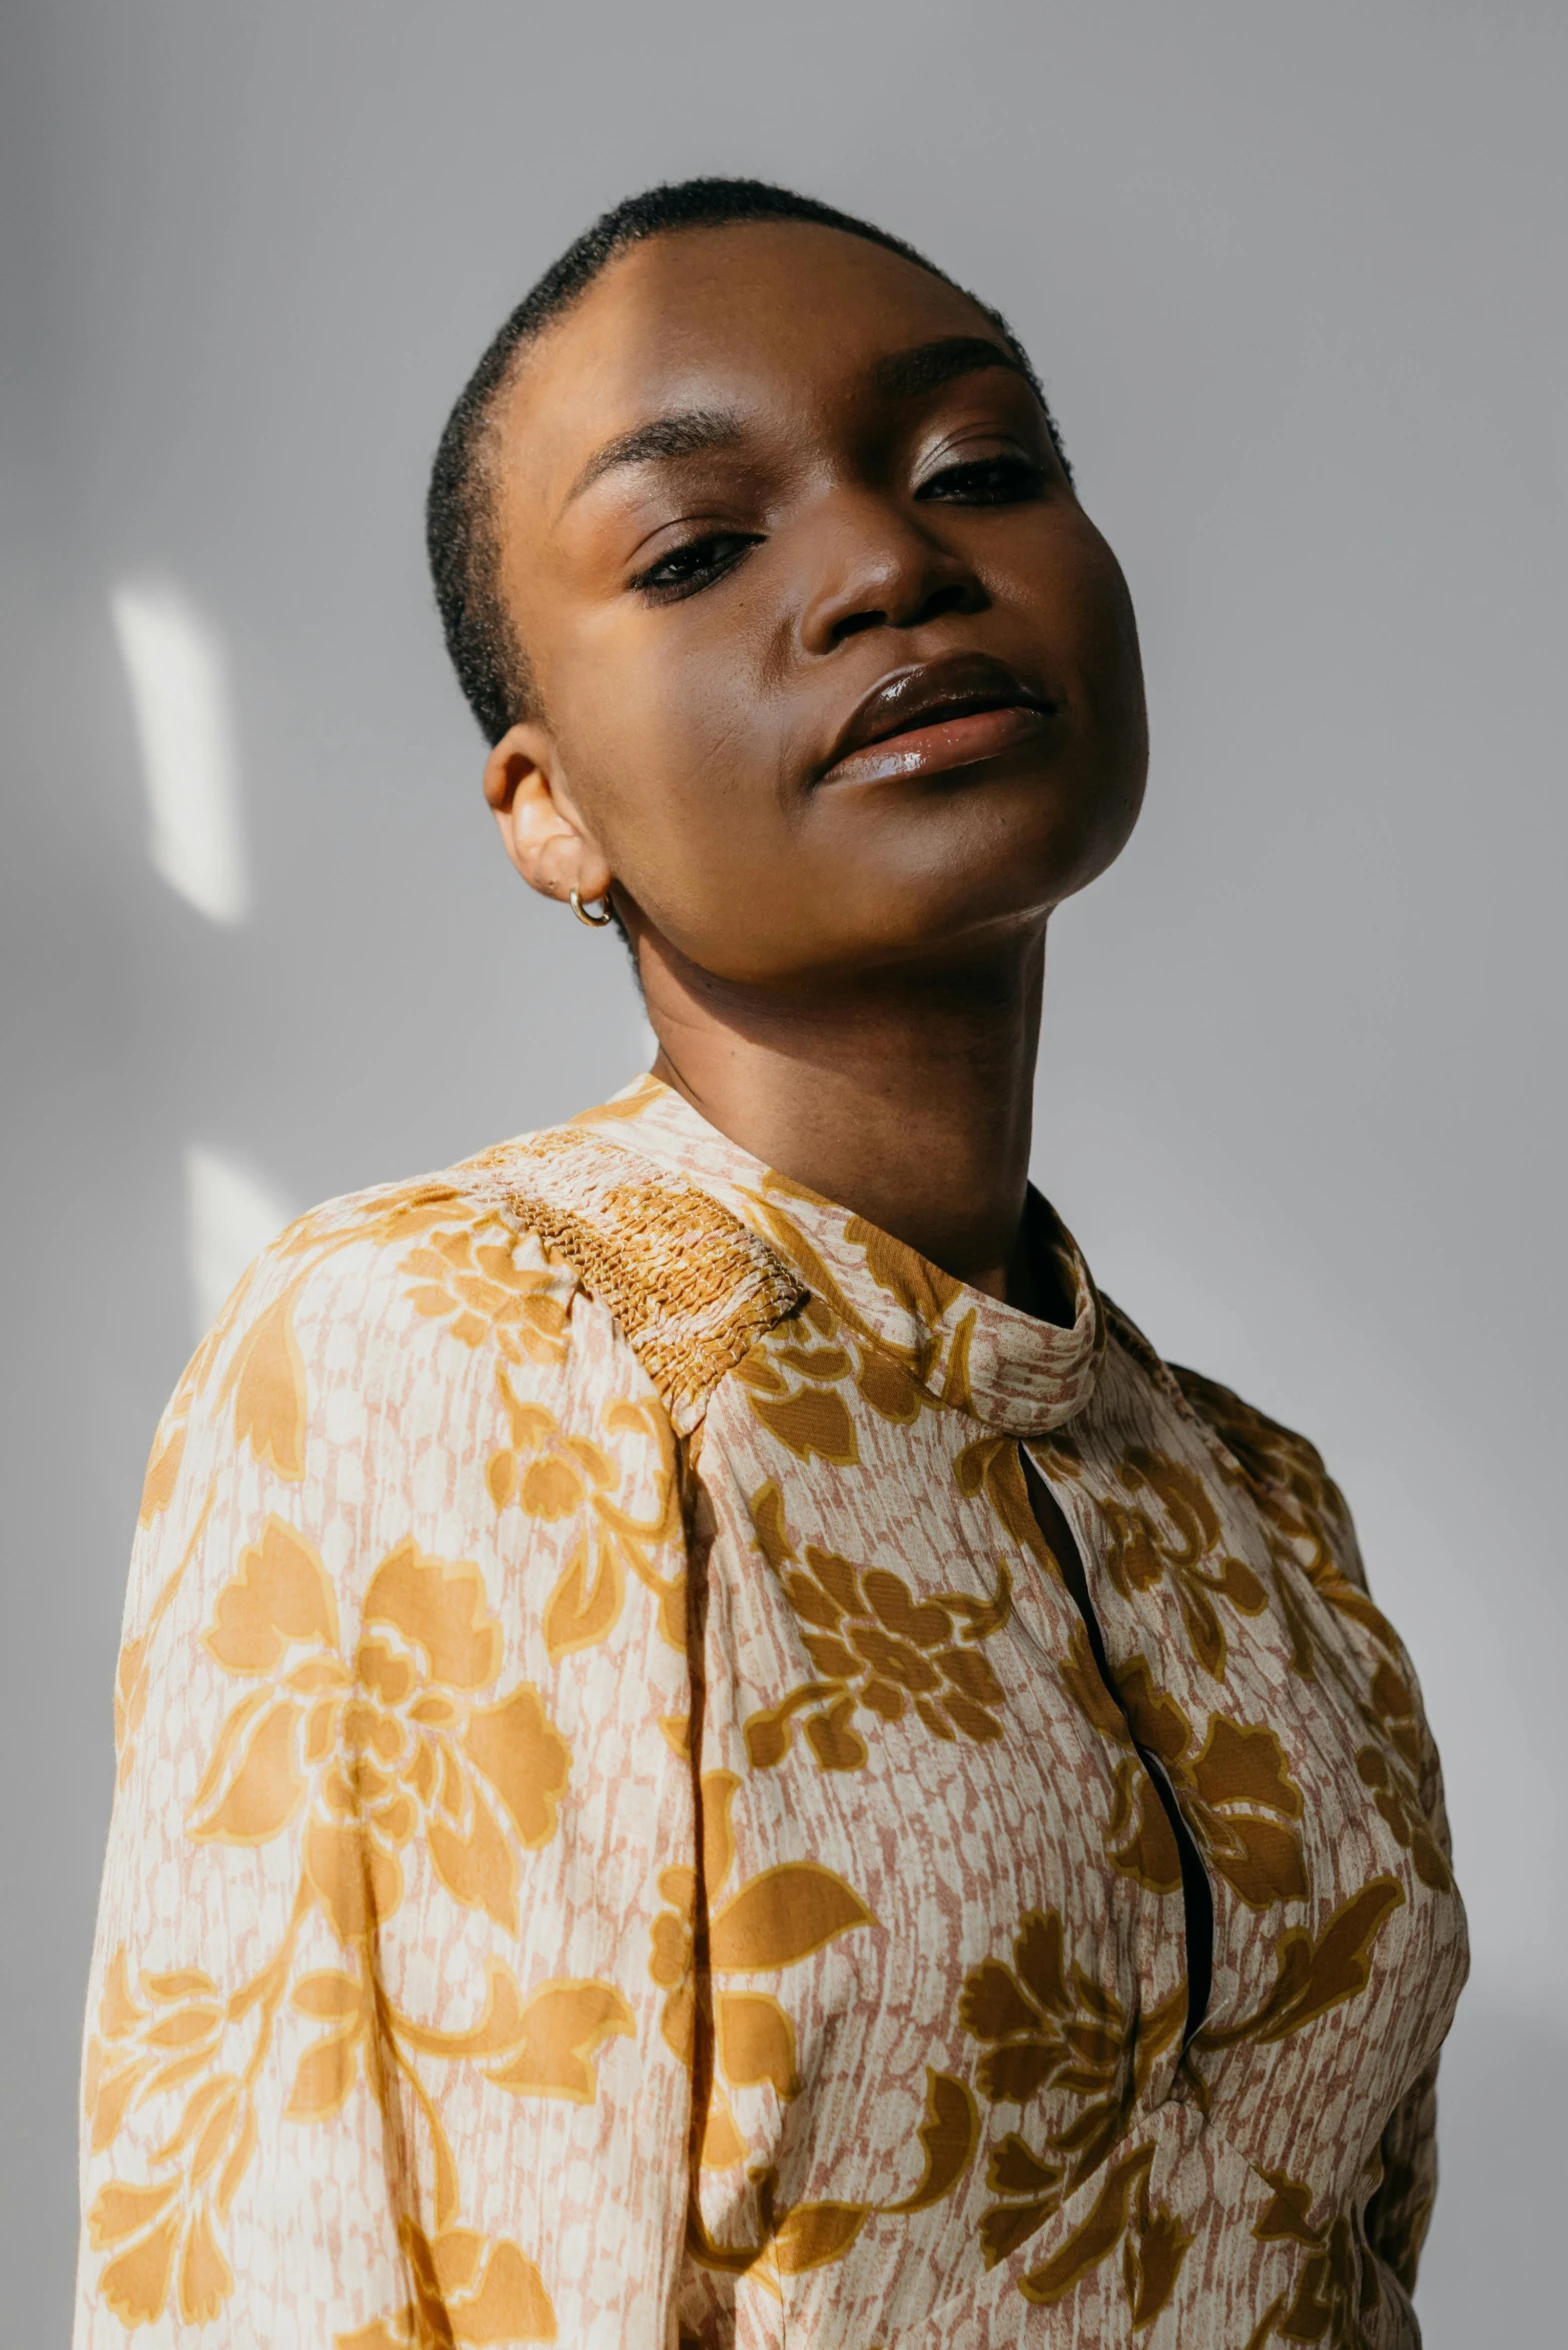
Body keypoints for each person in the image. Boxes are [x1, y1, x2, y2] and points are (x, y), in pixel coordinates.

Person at [74, 179, 1466, 2348]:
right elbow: (283, 2275)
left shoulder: (1251, 1506)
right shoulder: (453, 1348)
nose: (893, 563)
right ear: (547, 809)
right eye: (698, 546)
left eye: (977, 469)